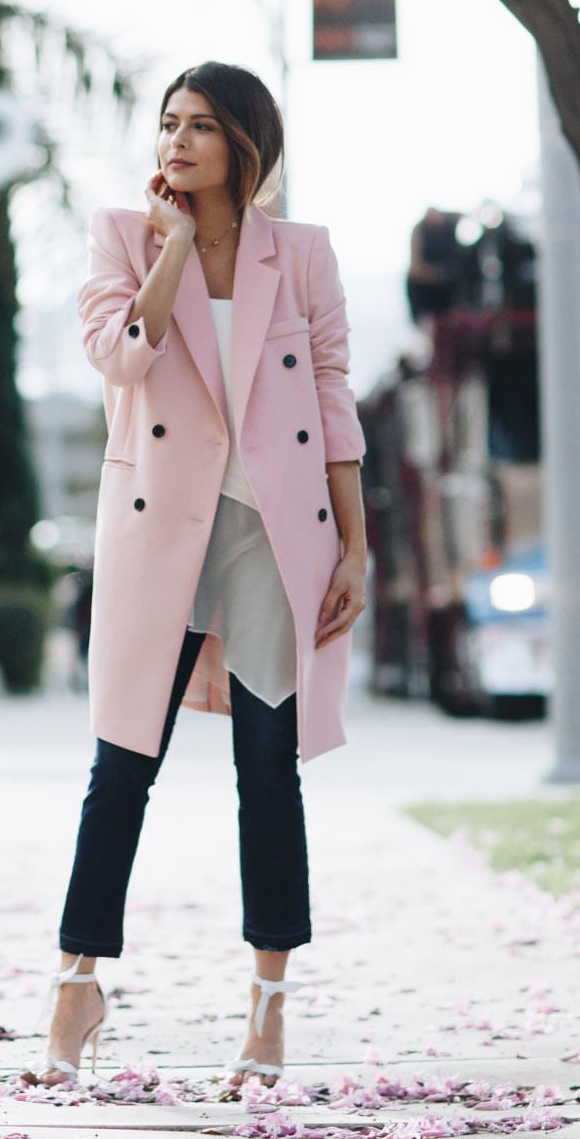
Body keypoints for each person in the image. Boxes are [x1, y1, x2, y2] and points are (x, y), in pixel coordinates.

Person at [35, 61, 367, 1090]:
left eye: (202, 126)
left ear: (245, 144)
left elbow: (331, 390)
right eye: (169, 123)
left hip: (274, 531)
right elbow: (120, 355)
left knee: (268, 768)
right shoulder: (123, 235)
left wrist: (354, 543)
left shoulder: (299, 253)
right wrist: (173, 247)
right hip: (157, 529)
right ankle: (77, 979)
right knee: (122, 762)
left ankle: (267, 1006)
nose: (177, 142)